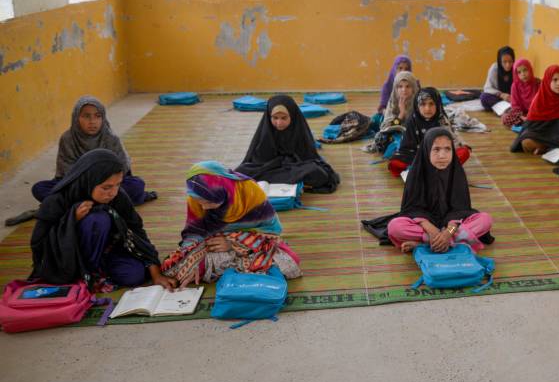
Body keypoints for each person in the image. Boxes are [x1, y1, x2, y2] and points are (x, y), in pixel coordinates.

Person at [29, 149, 173, 291]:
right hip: (70, 260)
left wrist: (156, 274)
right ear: (89, 181)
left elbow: (136, 231)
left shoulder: (118, 197)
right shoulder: (58, 200)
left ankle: (98, 273)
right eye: (106, 187)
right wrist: (71, 221)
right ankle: (86, 274)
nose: (113, 192)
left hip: (108, 253)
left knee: (134, 275)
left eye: (118, 184)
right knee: (97, 220)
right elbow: (39, 244)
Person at [160, 162, 301, 287]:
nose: (204, 208)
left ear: (225, 190)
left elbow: (271, 233)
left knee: (289, 261)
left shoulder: (250, 192)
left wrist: (233, 243)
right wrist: (194, 260)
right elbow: (194, 233)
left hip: (252, 244)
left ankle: (225, 269)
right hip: (214, 246)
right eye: (200, 202)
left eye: (209, 202)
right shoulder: (196, 195)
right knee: (176, 268)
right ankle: (241, 269)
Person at [31, 96, 154, 206]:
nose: (92, 121)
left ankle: (75, 204)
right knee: (39, 188)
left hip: (106, 185)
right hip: (77, 185)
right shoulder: (68, 138)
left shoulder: (110, 138)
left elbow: (122, 167)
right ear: (76, 118)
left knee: (136, 185)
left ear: (103, 118)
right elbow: (66, 170)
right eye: (86, 116)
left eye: (97, 116)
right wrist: (88, 185)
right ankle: (103, 203)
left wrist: (102, 184)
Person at [387, 127, 493, 253]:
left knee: (485, 219)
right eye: (436, 149)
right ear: (427, 151)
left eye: (447, 149)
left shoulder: (456, 172)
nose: (442, 155)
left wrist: (448, 233)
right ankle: (450, 241)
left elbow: (460, 210)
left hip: (452, 227)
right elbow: (412, 209)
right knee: (395, 227)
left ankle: (424, 243)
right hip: (425, 225)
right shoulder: (417, 173)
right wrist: (434, 231)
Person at [235, 95, 340, 193]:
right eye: (275, 118)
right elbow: (259, 160)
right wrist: (277, 162)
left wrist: (288, 161)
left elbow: (307, 158)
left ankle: (293, 181)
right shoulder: (266, 131)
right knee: (242, 171)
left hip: (294, 167)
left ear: (292, 116)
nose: (279, 123)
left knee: (318, 173)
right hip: (271, 168)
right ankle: (300, 183)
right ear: (269, 116)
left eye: (284, 118)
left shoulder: (299, 129)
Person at [387, 87, 470, 177]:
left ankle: (428, 170)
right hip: (416, 155)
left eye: (431, 104)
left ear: (437, 104)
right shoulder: (412, 121)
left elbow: (452, 140)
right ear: (417, 106)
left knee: (464, 152)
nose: (427, 108)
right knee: (394, 164)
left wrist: (461, 146)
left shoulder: (441, 120)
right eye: (423, 104)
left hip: (439, 155)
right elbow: (406, 147)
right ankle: (438, 169)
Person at [510, 64, 559, 155]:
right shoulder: (539, 100)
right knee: (526, 142)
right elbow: (530, 126)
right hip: (542, 136)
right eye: (555, 80)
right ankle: (546, 148)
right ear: (548, 81)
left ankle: (546, 149)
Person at [367, 70, 420, 154]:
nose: (404, 90)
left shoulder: (419, 103)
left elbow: (419, 126)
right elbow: (386, 126)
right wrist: (401, 114)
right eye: (400, 86)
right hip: (396, 135)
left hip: (413, 136)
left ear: (413, 88)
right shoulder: (393, 102)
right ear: (395, 88)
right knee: (383, 137)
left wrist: (406, 114)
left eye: (408, 86)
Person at [502, 58, 541, 128]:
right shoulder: (515, 86)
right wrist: (522, 117)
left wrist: (532, 115)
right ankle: (529, 123)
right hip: (521, 113)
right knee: (505, 119)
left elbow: (541, 103)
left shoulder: (538, 83)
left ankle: (529, 123)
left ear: (530, 69)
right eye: (519, 72)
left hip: (536, 113)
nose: (523, 74)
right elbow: (515, 105)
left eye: (525, 70)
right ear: (516, 74)